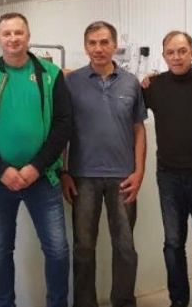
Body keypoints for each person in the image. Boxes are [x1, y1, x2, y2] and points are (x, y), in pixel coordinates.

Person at [0, 12, 73, 307]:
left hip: (43, 178)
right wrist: (0, 169)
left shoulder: (50, 75)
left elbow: (63, 124)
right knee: (0, 251)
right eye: (7, 33)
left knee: (58, 250)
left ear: (28, 36)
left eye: (19, 32)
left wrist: (37, 166)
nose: (13, 39)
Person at [61, 20, 148, 307]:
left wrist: (139, 172)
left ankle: (123, 301)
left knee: (125, 247)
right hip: (82, 176)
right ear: (86, 47)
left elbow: (139, 130)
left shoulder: (130, 82)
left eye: (104, 42)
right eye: (92, 43)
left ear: (114, 46)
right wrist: (63, 171)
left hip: (123, 177)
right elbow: (62, 130)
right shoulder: (71, 82)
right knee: (84, 247)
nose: (98, 48)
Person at [141, 31, 192, 307]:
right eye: (171, 52)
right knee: (173, 244)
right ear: (164, 56)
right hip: (169, 177)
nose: (176, 57)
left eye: (182, 51)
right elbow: (126, 109)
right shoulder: (153, 87)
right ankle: (178, 301)